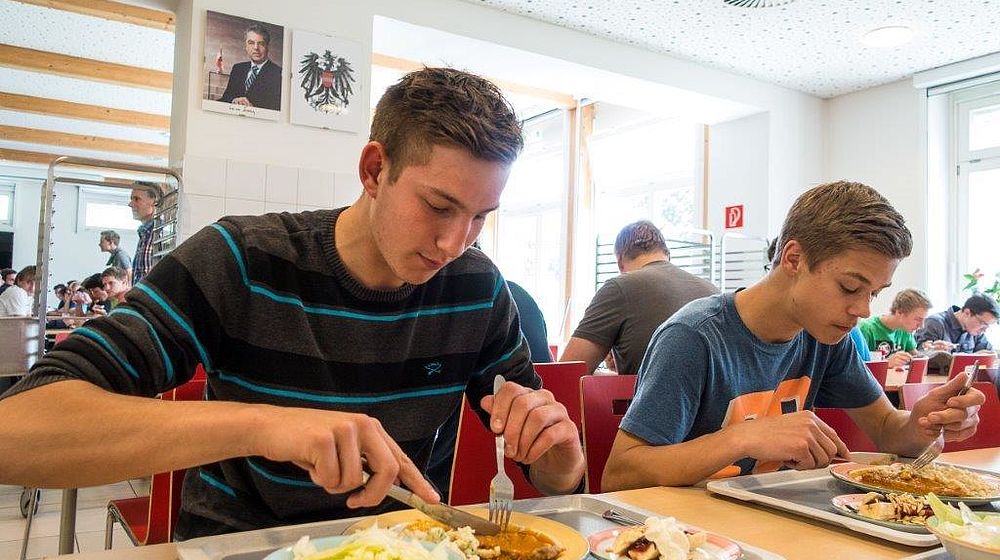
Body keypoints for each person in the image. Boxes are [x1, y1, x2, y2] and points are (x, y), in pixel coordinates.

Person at [0, 68, 584, 539]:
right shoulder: (242, 261)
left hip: (402, 545)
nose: (454, 244)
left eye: (480, 217)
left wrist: (559, 449)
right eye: (438, 206)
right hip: (241, 545)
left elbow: (554, 477)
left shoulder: (476, 288)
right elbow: (18, 429)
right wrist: (263, 425)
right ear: (375, 170)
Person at [602, 181, 986, 491]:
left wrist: (919, 423)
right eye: (850, 287)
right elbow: (621, 472)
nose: (863, 309)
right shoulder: (694, 337)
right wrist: (744, 437)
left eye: (875, 293)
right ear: (794, 259)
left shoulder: (826, 336)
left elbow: (887, 429)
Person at [560, 220, 718, 375]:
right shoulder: (713, 291)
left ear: (620, 261)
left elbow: (567, 373)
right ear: (667, 254)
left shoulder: (619, 287)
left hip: (653, 400)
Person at [857, 288, 931, 368]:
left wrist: (932, 352)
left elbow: (916, 358)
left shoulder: (905, 330)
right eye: (918, 319)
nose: (921, 326)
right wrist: (886, 363)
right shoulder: (866, 328)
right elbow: (856, 366)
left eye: (924, 320)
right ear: (899, 312)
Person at [218, 23, 282, 111]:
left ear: (267, 47)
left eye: (261, 43)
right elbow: (226, 98)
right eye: (251, 43)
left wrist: (254, 109)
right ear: (246, 46)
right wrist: (234, 100)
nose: (256, 48)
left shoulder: (278, 74)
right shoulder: (238, 68)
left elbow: (278, 109)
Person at [914, 294, 997, 358]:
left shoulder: (977, 332)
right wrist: (931, 350)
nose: (984, 330)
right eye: (983, 324)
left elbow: (991, 355)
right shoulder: (934, 323)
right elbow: (919, 355)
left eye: (987, 326)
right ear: (967, 313)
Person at [129, 181, 159, 284]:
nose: (130, 204)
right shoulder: (146, 233)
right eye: (131, 199)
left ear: (155, 202)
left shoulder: (157, 233)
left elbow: (146, 277)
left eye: (136, 199)